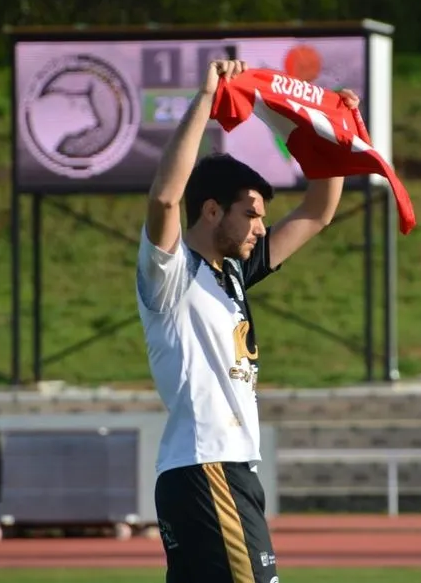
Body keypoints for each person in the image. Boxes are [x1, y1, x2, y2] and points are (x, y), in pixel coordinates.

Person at [135, 59, 356, 583]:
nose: (261, 226)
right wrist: (209, 97)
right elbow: (165, 196)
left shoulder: (230, 273)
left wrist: (322, 125)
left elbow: (319, 210)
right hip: (209, 468)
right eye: (251, 214)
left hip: (219, 472)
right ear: (212, 211)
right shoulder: (171, 271)